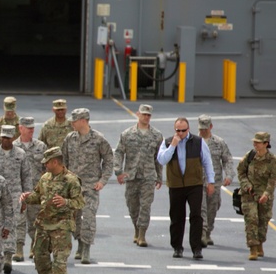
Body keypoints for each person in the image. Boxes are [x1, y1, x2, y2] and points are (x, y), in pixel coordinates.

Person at [20, 147, 84, 274]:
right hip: (43, 224)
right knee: (39, 257)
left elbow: (80, 202)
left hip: (62, 226)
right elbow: (37, 196)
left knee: (59, 261)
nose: (45, 165)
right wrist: (26, 198)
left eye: (47, 162)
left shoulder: (71, 180)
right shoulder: (45, 178)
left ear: (55, 162)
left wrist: (66, 202)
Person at [156, 117, 215, 259]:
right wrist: (173, 146)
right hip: (176, 185)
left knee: (196, 215)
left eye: (183, 130)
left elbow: (207, 162)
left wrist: (210, 181)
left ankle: (196, 248)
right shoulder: (168, 142)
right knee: (176, 217)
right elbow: (162, 160)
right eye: (178, 130)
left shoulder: (198, 142)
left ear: (188, 129)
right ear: (174, 129)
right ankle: (177, 247)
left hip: (194, 184)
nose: (181, 133)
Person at [61, 108, 113, 264]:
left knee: (88, 218)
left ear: (83, 121)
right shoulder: (69, 138)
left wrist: (102, 180)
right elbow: (63, 161)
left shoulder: (98, 139)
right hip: (73, 187)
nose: (72, 123)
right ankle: (79, 244)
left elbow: (109, 160)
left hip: (91, 187)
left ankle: (86, 249)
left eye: (74, 120)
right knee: (75, 219)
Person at [113, 104, 163, 248]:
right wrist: (119, 171)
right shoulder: (127, 134)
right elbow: (119, 152)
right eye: (143, 114)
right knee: (132, 206)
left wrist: (159, 176)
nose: (146, 117)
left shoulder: (156, 135)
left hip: (148, 176)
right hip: (131, 175)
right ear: (138, 114)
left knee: (145, 206)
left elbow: (158, 158)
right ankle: (136, 228)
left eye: (148, 115)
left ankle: (142, 235)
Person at [0, 124, 30, 272]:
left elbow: (26, 176)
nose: (5, 140)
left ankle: (8, 256)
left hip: (14, 195)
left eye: (8, 137)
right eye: (3, 137)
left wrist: (26, 197)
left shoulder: (21, 154)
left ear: (13, 138)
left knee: (11, 225)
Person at [198, 115, 236, 246]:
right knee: (200, 208)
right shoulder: (194, 141)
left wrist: (229, 175)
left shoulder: (219, 142)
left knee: (212, 208)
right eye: (201, 129)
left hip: (214, 182)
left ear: (211, 127)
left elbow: (228, 159)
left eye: (205, 129)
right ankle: (201, 234)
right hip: (197, 182)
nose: (203, 131)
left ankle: (208, 232)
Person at [237, 132, 275, 260]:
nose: (255, 144)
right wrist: (246, 185)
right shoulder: (249, 156)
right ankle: (253, 248)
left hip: (264, 195)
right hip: (249, 195)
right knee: (251, 219)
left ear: (266, 144)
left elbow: (273, 180)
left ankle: (260, 243)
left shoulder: (272, 160)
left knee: (263, 221)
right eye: (255, 142)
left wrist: (267, 194)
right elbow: (241, 172)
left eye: (258, 142)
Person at [13, 116, 46, 259]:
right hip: (19, 190)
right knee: (19, 220)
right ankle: (18, 249)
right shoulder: (13, 147)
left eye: (33, 127)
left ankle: (34, 247)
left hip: (35, 190)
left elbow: (47, 169)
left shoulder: (41, 146)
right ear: (21, 128)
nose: (31, 130)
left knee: (35, 220)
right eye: (28, 127)